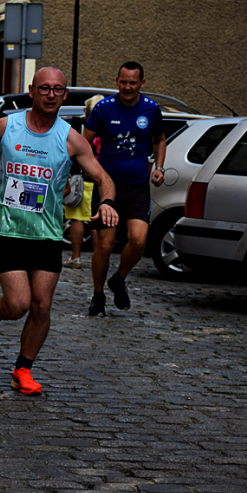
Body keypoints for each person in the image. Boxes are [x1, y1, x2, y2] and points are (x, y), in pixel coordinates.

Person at [0, 67, 118, 395]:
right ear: (32, 90)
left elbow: (103, 178)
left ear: (64, 95)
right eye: (44, 88)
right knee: (18, 304)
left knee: (42, 306)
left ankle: (23, 369)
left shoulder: (71, 138)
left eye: (57, 89)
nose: (50, 94)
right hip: (7, 228)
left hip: (45, 233)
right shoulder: (8, 125)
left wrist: (108, 202)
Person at [83, 62, 166, 316]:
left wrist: (159, 167)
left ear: (142, 83)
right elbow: (83, 141)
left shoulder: (151, 109)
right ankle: (98, 296)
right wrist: (89, 169)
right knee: (105, 247)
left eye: (133, 83)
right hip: (108, 189)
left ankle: (118, 279)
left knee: (139, 241)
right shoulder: (103, 108)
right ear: (117, 81)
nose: (127, 87)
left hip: (138, 187)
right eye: (123, 82)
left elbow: (159, 139)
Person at [63, 94, 104, 269]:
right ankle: (98, 256)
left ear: (86, 112)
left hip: (80, 178)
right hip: (100, 179)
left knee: (77, 218)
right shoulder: (108, 129)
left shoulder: (77, 127)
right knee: (96, 219)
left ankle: (76, 257)